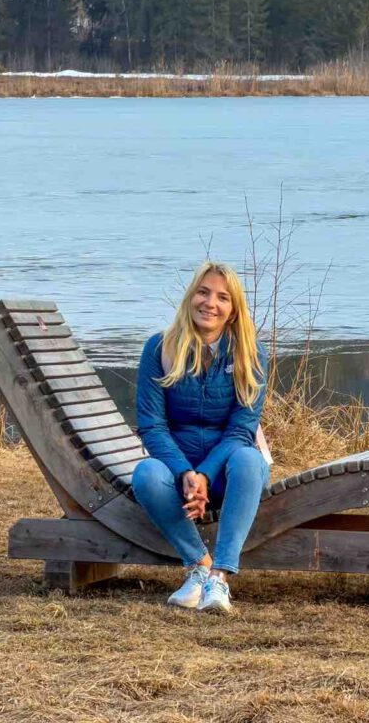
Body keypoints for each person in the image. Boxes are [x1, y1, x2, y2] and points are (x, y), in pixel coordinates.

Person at [132, 261, 269, 613]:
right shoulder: (159, 348)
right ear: (190, 297)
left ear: (233, 310)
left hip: (228, 472)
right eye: (203, 292)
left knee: (250, 459)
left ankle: (221, 579)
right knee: (146, 474)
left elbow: (242, 429)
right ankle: (200, 567)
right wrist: (186, 473)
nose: (210, 303)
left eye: (223, 297)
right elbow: (152, 426)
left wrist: (206, 473)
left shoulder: (250, 355)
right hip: (178, 472)